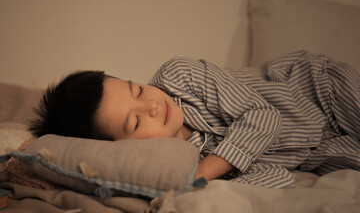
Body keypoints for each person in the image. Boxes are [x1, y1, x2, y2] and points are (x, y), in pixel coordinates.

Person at [30, 50, 360, 188]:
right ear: (123, 150)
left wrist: (206, 171)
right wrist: (203, 186)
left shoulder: (180, 76)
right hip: (316, 150)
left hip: (316, 91)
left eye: (138, 90)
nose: (153, 106)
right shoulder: (184, 164)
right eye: (135, 123)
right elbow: (280, 178)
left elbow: (264, 117)